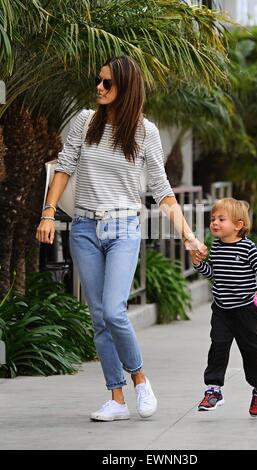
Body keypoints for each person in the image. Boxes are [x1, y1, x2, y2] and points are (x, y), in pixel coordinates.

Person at [36, 55, 206, 422]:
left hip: (124, 228)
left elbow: (162, 189)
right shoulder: (85, 122)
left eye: (107, 83)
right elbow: (64, 168)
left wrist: (189, 237)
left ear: (126, 89)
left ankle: (140, 379)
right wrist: (48, 213)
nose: (99, 87)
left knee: (114, 310)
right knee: (98, 316)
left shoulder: (146, 132)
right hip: (83, 228)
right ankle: (116, 397)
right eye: (98, 81)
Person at [192, 197, 257, 417]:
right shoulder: (216, 247)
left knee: (251, 350)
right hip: (222, 310)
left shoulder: (247, 248)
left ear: (238, 225)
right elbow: (214, 275)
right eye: (213, 219)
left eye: (221, 219)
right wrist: (199, 264)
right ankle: (213, 390)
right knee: (218, 347)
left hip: (246, 310)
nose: (214, 223)